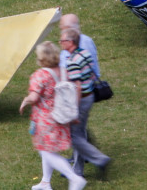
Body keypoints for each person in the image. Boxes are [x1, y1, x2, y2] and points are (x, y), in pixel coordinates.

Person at [20, 41, 87, 190]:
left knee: (45, 151)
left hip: (45, 120)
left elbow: (34, 97)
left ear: (41, 58)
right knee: (49, 149)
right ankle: (45, 182)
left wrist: (25, 100)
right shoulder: (63, 71)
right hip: (61, 116)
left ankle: (74, 178)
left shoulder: (40, 75)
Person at [61, 28, 111, 179]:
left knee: (73, 136)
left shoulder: (72, 61)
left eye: (62, 41)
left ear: (70, 42)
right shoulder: (84, 53)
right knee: (80, 133)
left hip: (81, 100)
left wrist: (74, 109)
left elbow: (77, 86)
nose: (61, 43)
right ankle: (77, 170)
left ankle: (100, 159)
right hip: (89, 97)